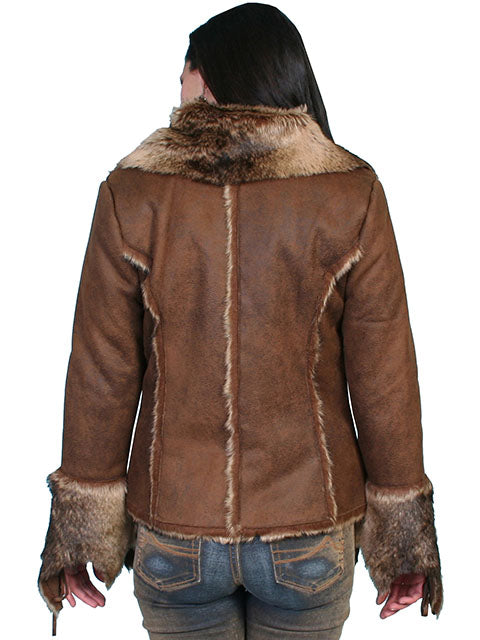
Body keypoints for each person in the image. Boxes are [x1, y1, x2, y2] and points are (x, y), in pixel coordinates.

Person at [37, 3, 443, 638]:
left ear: (209, 77)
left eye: (182, 72)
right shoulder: (351, 193)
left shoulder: (132, 192)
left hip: (174, 530)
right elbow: (384, 377)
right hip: (310, 532)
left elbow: (102, 372)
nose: (177, 89)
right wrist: (405, 539)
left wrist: (78, 530)